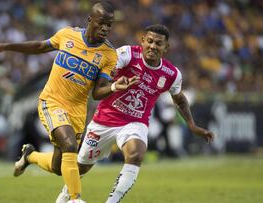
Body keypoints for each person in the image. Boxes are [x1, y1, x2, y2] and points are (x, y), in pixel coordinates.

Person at [0, 2, 139, 202]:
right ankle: (75, 199)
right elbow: (40, 46)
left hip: (77, 111)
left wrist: (114, 87)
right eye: (102, 23)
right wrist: (5, 46)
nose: (105, 28)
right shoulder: (68, 35)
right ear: (90, 20)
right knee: (69, 146)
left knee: (59, 167)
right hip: (52, 101)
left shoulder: (109, 54)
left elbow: (97, 92)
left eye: (109, 25)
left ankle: (30, 156)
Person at [55, 24, 215, 203]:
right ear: (143, 41)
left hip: (135, 123)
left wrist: (192, 125)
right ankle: (63, 197)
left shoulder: (172, 74)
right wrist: (114, 80)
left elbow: (180, 99)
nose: (153, 46)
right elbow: (102, 78)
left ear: (166, 47)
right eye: (150, 41)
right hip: (104, 120)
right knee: (82, 167)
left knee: (136, 154)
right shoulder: (127, 54)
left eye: (159, 43)